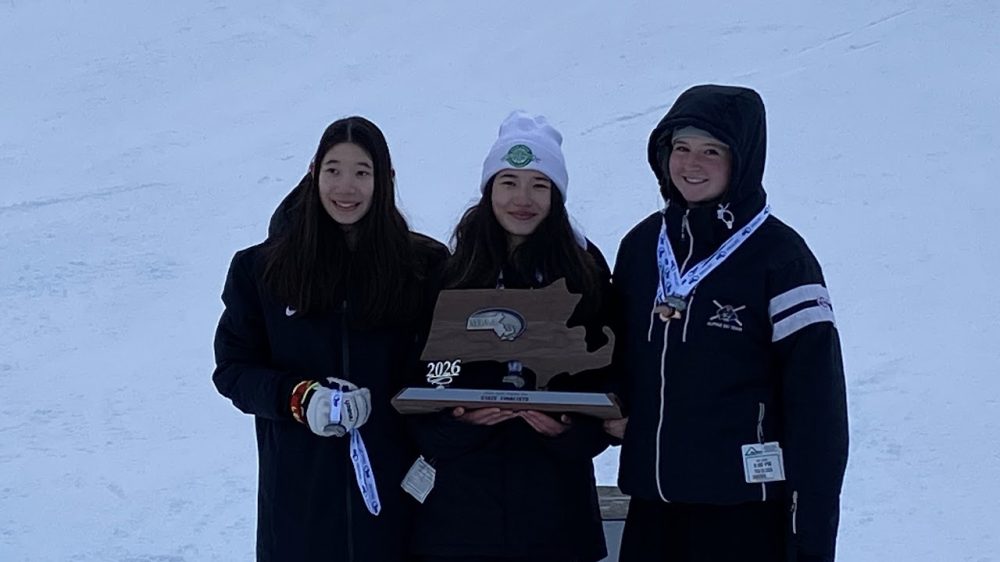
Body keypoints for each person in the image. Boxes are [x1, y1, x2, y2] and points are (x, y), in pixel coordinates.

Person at [606, 85, 849, 562]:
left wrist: (811, 536)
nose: (691, 164)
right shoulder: (641, 247)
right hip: (653, 509)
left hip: (743, 515)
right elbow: (613, 353)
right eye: (681, 148)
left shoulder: (782, 259)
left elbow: (818, 413)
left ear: (743, 159)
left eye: (711, 151)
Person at [212, 116, 447, 562]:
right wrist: (299, 398)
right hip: (299, 511)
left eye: (362, 172)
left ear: (385, 179)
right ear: (313, 172)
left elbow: (443, 369)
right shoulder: (261, 270)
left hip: (400, 508)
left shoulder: (425, 267)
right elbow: (234, 370)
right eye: (334, 170)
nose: (347, 187)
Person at [406, 111, 614, 562]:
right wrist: (453, 425)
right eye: (509, 183)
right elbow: (414, 384)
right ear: (489, 190)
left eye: (540, 185)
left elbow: (609, 379)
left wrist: (569, 432)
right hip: (460, 516)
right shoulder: (450, 272)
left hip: (556, 515)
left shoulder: (586, 272)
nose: (523, 199)